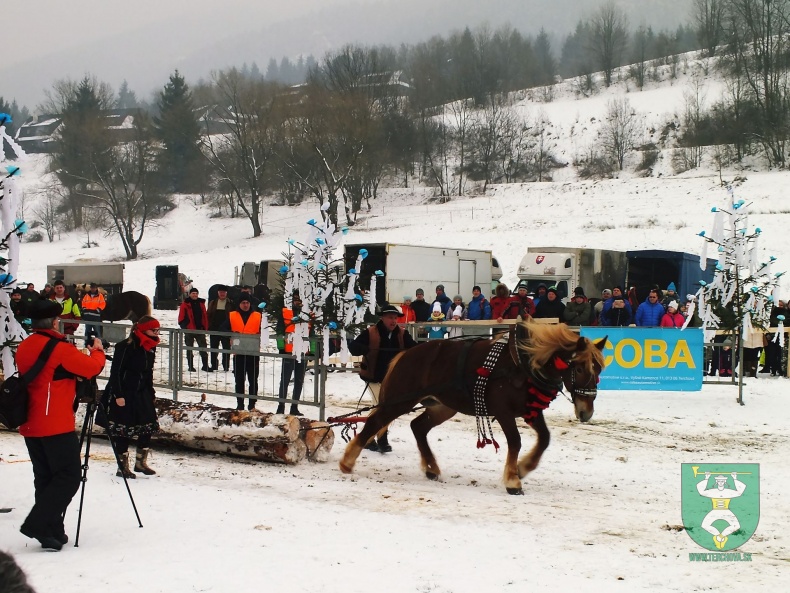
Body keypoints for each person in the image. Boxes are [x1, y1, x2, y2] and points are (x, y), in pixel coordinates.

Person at [17, 299, 106, 551]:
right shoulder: (57, 348)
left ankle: (52, 530)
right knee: (69, 476)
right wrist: (97, 350)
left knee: (45, 477)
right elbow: (91, 368)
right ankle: (38, 523)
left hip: (30, 420)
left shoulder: (26, 345)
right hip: (54, 422)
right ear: (55, 322)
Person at [348, 303, 417, 452]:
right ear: (383, 318)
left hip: (392, 379)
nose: (393, 321)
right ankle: (382, 439)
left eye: (395, 318)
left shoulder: (402, 334)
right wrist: (362, 348)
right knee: (381, 406)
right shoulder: (370, 332)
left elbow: (414, 348)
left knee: (383, 408)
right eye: (390, 318)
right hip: (373, 377)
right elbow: (353, 347)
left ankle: (368, 438)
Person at [102, 316, 161, 478]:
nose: (156, 333)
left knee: (148, 426)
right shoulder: (125, 347)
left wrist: (151, 393)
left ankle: (140, 463)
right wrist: (118, 395)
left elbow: (148, 372)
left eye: (157, 330)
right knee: (124, 430)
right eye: (153, 330)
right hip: (125, 393)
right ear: (142, 330)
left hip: (142, 392)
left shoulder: (150, 346)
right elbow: (116, 372)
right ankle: (122, 466)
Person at [275, 292, 305, 415]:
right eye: (295, 299)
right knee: (285, 379)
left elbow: (311, 332)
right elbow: (279, 331)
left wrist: (313, 351)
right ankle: (281, 405)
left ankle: (294, 406)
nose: (297, 302)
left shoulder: (308, 314)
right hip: (288, 351)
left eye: (300, 299)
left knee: (299, 380)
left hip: (302, 352)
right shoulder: (285, 312)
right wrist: (281, 347)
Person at [178, 287, 210, 372]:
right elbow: (181, 317)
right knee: (189, 349)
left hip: (200, 329)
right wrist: (185, 327)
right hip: (189, 330)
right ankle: (190, 366)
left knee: (203, 348)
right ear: (190, 294)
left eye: (196, 293)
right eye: (193, 293)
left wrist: (205, 326)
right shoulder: (185, 304)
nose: (195, 295)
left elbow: (204, 316)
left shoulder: (201, 303)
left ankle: (205, 365)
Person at [207, 284, 234, 372]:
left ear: (226, 293)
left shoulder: (231, 303)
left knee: (226, 349)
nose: (222, 294)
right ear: (218, 293)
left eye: (224, 292)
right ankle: (214, 365)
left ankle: (226, 366)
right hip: (214, 329)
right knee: (213, 348)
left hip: (226, 329)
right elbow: (209, 314)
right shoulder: (213, 303)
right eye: (220, 292)